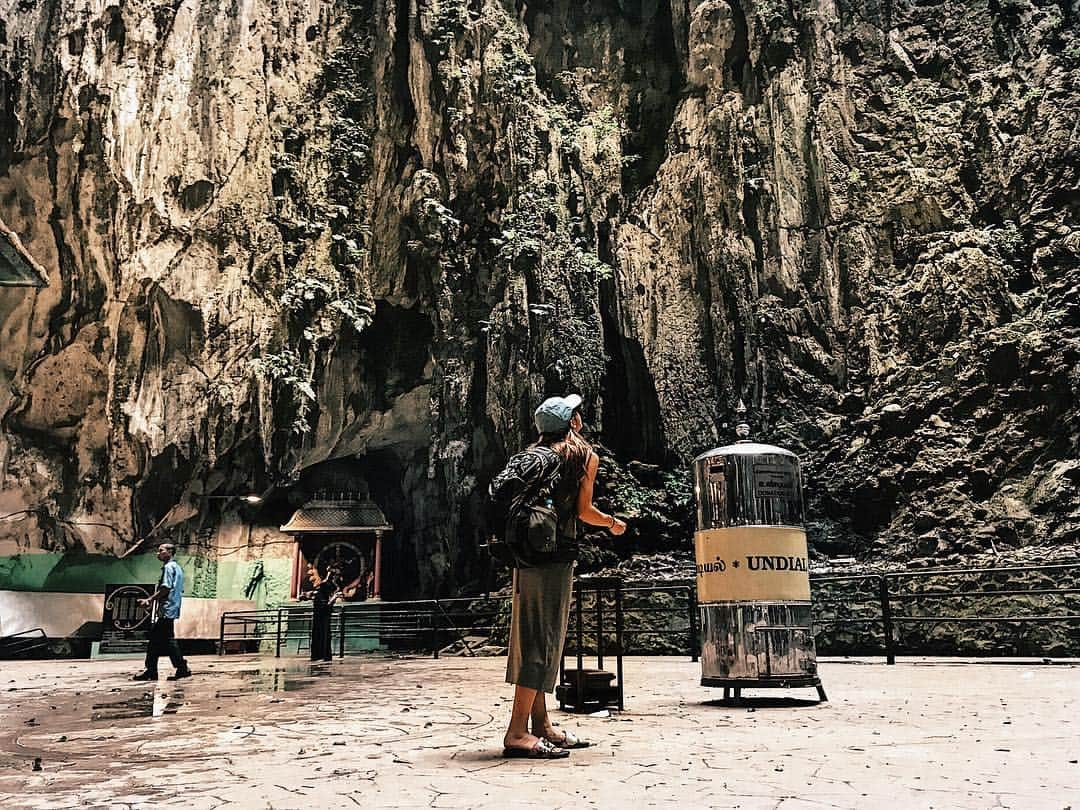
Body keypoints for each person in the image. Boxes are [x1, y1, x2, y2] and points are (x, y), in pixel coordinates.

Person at [502, 394, 627, 759]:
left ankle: (541, 725)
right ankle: (516, 732)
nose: (581, 418)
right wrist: (612, 523)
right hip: (553, 558)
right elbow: (585, 511)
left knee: (532, 634)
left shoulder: (530, 457)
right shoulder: (582, 456)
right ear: (572, 423)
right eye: (577, 414)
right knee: (543, 637)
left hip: (525, 557)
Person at [132, 543, 192, 681]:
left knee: (166, 639)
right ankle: (155, 669)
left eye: (161, 551)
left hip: (167, 608)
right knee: (158, 639)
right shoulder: (177, 567)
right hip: (171, 607)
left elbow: (165, 588)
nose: (157, 553)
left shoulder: (168, 567)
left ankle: (178, 668)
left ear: (170, 552)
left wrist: (149, 600)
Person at [303, 564, 340, 662]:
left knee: (323, 636)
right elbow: (326, 607)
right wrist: (334, 598)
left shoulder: (320, 593)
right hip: (321, 620)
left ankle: (320, 655)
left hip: (321, 619)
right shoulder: (320, 595)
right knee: (322, 636)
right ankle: (321, 655)